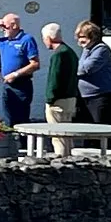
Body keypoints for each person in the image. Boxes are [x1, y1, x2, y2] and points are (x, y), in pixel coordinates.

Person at [0, 12, 40, 126]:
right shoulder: (4, 41)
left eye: (5, 27)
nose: (3, 30)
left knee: (21, 119)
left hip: (22, 85)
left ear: (14, 26)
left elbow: (35, 64)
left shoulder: (26, 39)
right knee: (9, 119)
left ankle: (22, 143)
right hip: (7, 85)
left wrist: (15, 74)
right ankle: (12, 142)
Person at [41, 22, 79, 159]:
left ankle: (61, 162)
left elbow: (54, 79)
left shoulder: (58, 55)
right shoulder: (70, 51)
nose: (44, 41)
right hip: (70, 98)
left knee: (58, 135)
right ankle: (69, 159)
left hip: (58, 100)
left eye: (44, 38)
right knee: (67, 133)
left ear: (49, 38)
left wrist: (49, 99)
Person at [75, 20, 111, 125]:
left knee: (100, 129)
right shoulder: (88, 50)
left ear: (93, 36)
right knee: (87, 130)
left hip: (100, 96)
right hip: (86, 96)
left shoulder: (101, 49)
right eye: (79, 37)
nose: (80, 40)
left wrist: (73, 68)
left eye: (83, 37)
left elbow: (85, 69)